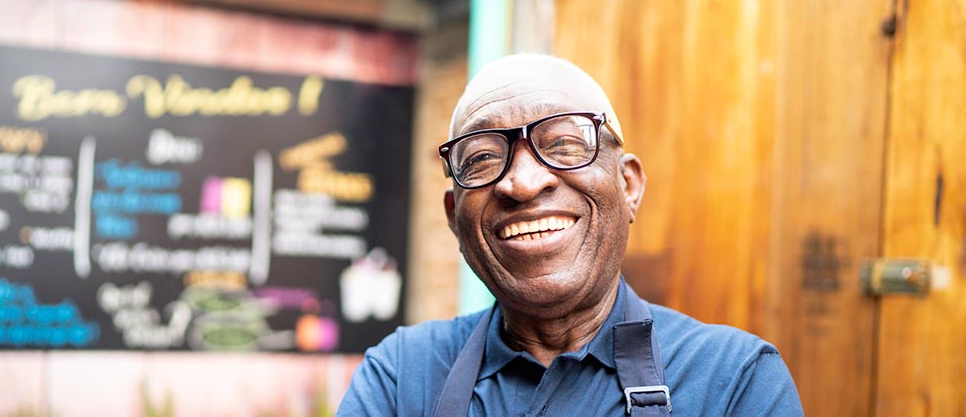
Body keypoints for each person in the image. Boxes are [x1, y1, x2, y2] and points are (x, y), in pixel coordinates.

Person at [337, 54, 803, 416]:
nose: (521, 182)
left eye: (563, 144)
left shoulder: (732, 380)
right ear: (454, 216)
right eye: (480, 157)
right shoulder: (402, 377)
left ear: (628, 186)